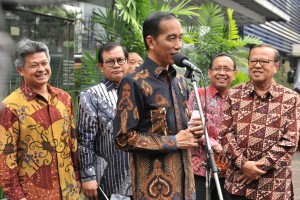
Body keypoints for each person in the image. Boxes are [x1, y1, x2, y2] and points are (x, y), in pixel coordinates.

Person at [113, 12, 203, 200]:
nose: (178, 45)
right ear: (151, 42)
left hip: (186, 186)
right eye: (171, 38)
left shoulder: (180, 81)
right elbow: (122, 138)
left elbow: (181, 130)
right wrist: (173, 142)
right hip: (154, 191)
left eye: (180, 38)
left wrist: (194, 130)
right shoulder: (134, 82)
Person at [0, 39, 80, 199]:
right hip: (34, 194)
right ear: (20, 70)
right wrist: (17, 197)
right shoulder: (10, 107)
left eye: (44, 63)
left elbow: (72, 142)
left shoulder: (64, 98)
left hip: (70, 192)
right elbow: (5, 159)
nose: (41, 69)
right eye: (34, 65)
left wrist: (77, 178)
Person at [220, 44, 300, 200]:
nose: (257, 65)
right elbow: (225, 133)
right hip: (237, 183)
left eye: (263, 61)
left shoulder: (291, 98)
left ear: (276, 66)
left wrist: (258, 168)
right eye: (253, 61)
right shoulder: (234, 94)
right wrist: (243, 164)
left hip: (273, 186)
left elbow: (291, 140)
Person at [77, 43, 132, 200]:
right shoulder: (91, 95)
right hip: (108, 179)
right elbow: (84, 140)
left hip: (139, 176)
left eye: (120, 60)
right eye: (110, 62)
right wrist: (88, 177)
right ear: (101, 66)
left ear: (127, 62)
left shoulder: (139, 91)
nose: (116, 65)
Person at [188, 53, 236, 200]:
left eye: (227, 69)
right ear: (209, 72)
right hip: (201, 169)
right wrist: (216, 145)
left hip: (230, 170)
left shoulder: (239, 97)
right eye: (217, 68)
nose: (222, 73)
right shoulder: (198, 94)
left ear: (234, 74)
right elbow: (193, 127)